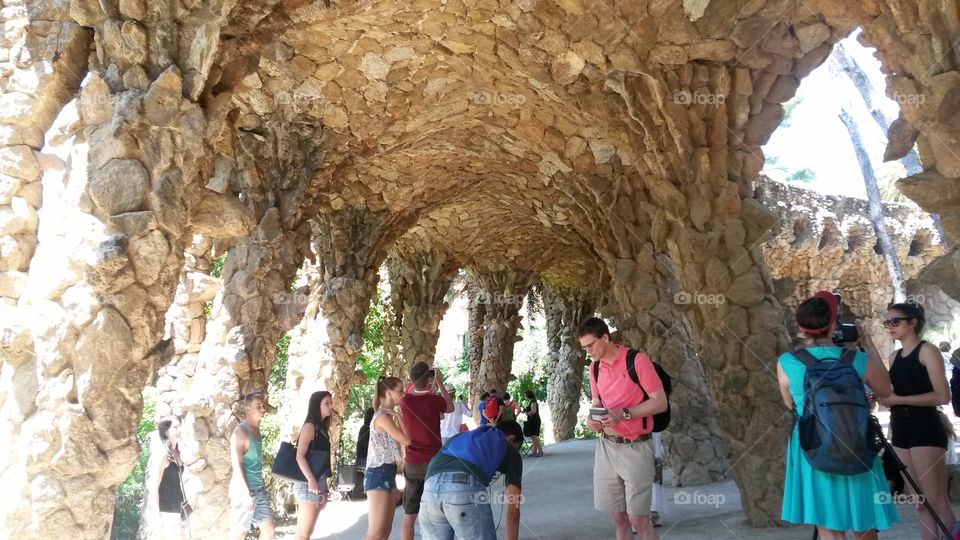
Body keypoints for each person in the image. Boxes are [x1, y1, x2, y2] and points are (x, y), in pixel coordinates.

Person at [777, 291, 898, 539]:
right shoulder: (856, 359)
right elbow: (886, 391)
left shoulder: (788, 361)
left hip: (813, 447)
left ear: (800, 327)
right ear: (834, 324)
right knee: (864, 521)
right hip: (856, 444)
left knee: (829, 528)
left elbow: (790, 404)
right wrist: (868, 342)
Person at [578, 317, 666, 540]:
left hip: (636, 446)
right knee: (619, 517)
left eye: (590, 345)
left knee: (638, 519)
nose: (588, 351)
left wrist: (624, 413)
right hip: (606, 446)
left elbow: (660, 402)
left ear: (605, 338)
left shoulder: (637, 361)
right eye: (584, 347)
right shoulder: (594, 368)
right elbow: (597, 402)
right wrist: (592, 418)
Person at [877, 302, 959, 540]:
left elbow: (942, 396)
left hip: (926, 428)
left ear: (912, 322)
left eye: (895, 321)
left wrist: (898, 399)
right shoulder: (893, 357)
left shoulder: (927, 351)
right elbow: (892, 394)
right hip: (901, 430)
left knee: (936, 502)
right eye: (887, 322)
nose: (890, 326)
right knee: (920, 502)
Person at [418, 420, 525, 540]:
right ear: (511, 439)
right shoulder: (510, 451)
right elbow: (513, 509)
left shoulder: (461, 437)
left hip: (429, 491)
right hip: (463, 487)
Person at [399, 362, 454, 540]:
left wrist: (427, 381)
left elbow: (414, 390)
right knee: (438, 511)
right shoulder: (434, 400)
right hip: (434, 462)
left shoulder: (405, 400)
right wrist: (439, 383)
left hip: (413, 462)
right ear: (429, 379)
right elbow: (450, 406)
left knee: (409, 515)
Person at [364, 376, 409, 540]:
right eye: (400, 391)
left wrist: (397, 416)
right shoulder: (382, 417)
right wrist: (398, 416)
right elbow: (407, 440)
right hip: (378, 473)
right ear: (389, 393)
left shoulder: (387, 416)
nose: (403, 394)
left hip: (387, 472)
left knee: (384, 533)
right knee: (376, 533)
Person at [230, 391, 275, 540]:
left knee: (269, 531)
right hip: (243, 491)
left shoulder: (256, 430)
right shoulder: (240, 433)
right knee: (240, 533)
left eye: (263, 406)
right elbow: (237, 465)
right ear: (248, 409)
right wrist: (245, 493)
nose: (263, 409)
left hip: (258, 489)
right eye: (258, 406)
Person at [292, 391, 333, 540]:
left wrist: (324, 487)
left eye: (331, 402)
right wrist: (311, 480)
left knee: (306, 533)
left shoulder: (322, 428)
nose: (330, 406)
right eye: (326, 403)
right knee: (304, 534)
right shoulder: (310, 427)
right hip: (307, 483)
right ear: (317, 406)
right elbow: (299, 456)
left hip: (317, 482)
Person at [147, 417, 190, 540]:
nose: (179, 430)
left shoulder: (177, 453)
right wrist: (156, 515)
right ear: (166, 432)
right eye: (175, 427)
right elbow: (153, 486)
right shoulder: (163, 455)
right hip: (166, 511)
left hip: (179, 510)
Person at [521, 389, 543, 457]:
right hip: (533, 420)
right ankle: (536, 451)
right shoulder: (532, 402)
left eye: (525, 396)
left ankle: (538, 451)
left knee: (535, 436)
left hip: (534, 420)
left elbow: (533, 411)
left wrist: (527, 413)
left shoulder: (533, 402)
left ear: (528, 396)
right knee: (534, 436)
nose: (525, 397)